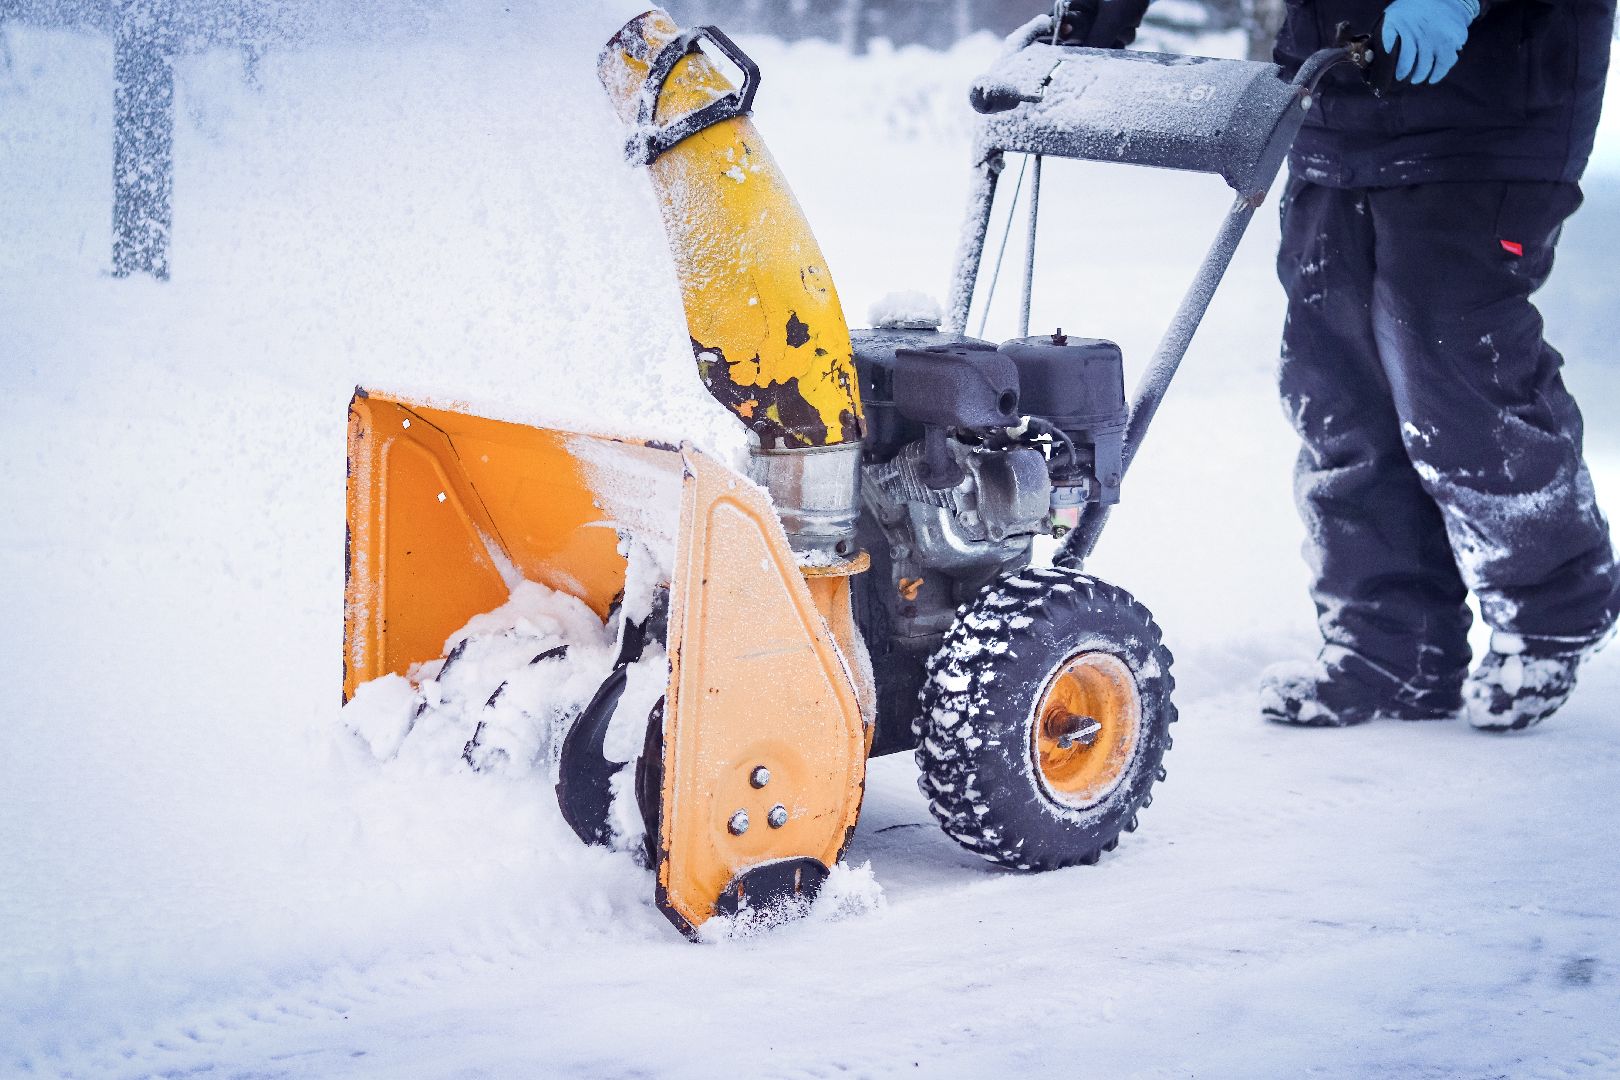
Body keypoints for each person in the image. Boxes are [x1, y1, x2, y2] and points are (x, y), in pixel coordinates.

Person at [1260, 0, 1620, 730]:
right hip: (1334, 102)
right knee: (1336, 391)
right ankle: (1393, 647)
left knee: (1456, 376)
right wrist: (1092, 17)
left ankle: (1552, 611)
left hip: (1486, 111)